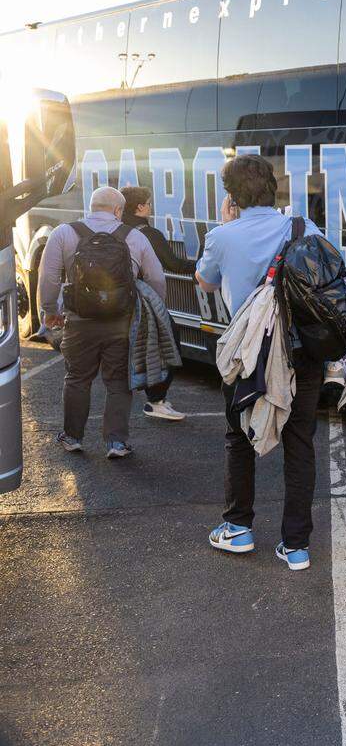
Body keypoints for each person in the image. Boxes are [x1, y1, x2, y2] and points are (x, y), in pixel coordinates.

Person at [195, 154, 323, 572]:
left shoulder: (222, 236)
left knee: (239, 437)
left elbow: (207, 281)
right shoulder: (304, 227)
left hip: (249, 353)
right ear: (273, 188)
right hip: (302, 351)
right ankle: (296, 546)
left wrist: (226, 223)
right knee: (299, 442)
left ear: (231, 195)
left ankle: (238, 528)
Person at [38, 185, 166, 459]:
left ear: (91, 206)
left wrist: (50, 310)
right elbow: (156, 278)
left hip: (78, 320)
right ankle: (116, 443)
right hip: (121, 321)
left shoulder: (64, 233)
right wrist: (153, 309)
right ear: (119, 210)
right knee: (119, 382)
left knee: (77, 378)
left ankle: (72, 437)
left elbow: (48, 278)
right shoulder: (134, 236)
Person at [121, 185, 194, 421]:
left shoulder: (117, 229)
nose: (150, 207)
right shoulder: (149, 234)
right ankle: (156, 400)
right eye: (148, 203)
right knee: (169, 343)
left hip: (115, 299)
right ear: (140, 207)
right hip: (143, 299)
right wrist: (203, 265)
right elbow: (173, 265)